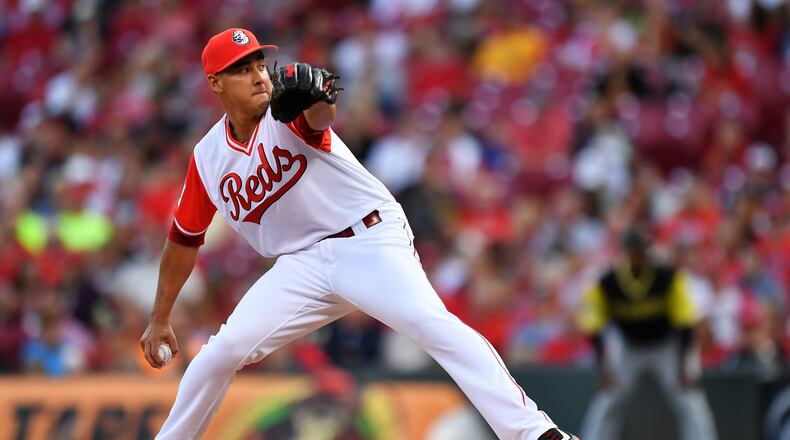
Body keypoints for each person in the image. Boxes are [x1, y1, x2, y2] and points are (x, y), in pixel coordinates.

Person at [139, 27, 577, 440]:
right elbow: (183, 237)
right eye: (242, 69)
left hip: (367, 239)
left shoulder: (286, 108)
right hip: (301, 266)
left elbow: (319, 115)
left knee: (431, 325)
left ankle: (535, 432)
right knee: (220, 352)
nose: (257, 77)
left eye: (258, 64)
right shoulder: (207, 158)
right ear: (215, 83)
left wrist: (319, 95)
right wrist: (160, 318)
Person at [577, 225, 717, 440]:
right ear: (625, 252)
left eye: (641, 250)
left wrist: (685, 368)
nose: (638, 256)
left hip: (667, 347)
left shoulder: (667, 278)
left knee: (690, 398)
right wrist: (603, 369)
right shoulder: (608, 284)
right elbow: (595, 328)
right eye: (634, 251)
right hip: (629, 348)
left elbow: (686, 325)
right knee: (607, 400)